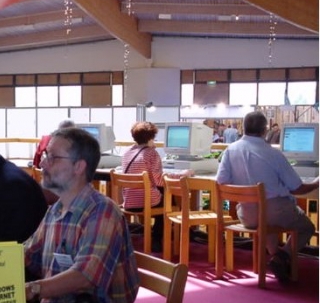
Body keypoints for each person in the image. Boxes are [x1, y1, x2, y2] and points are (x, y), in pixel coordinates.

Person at [23, 127, 140, 303]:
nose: (42, 163)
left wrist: (33, 289)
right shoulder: (57, 210)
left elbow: (84, 276)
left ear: (78, 167)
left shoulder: (101, 211)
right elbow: (28, 255)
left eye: (52, 157)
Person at [216, 111, 319, 284]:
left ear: (244, 127)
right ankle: (283, 256)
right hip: (275, 211)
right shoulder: (273, 154)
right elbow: (298, 188)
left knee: (267, 225)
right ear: (265, 130)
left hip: (246, 215)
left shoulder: (230, 150)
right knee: (307, 227)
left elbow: (221, 182)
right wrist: (316, 183)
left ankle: (276, 256)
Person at [121, 122, 192, 253]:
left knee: (160, 194)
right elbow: (159, 180)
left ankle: (156, 237)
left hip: (129, 202)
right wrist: (182, 174)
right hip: (146, 202)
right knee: (168, 200)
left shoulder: (127, 153)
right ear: (151, 137)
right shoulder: (151, 154)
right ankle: (158, 239)